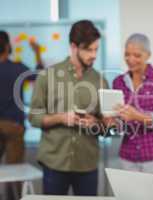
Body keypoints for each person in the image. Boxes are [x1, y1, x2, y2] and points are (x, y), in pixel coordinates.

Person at [29, 20, 110, 196]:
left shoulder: (101, 81)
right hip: (54, 163)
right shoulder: (47, 76)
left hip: (87, 164)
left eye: (96, 49)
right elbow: (34, 117)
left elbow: (108, 127)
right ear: (74, 46)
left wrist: (96, 122)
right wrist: (61, 118)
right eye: (89, 50)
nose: (94, 55)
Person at [112, 33, 153, 196]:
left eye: (137, 55)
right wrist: (111, 121)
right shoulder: (118, 82)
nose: (130, 59)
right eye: (127, 54)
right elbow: (120, 125)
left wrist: (136, 116)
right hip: (128, 157)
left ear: (148, 55)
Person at [0, 30, 44, 200]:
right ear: (7, 46)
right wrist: (37, 52)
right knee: (15, 173)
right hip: (14, 127)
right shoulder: (17, 68)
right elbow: (39, 76)